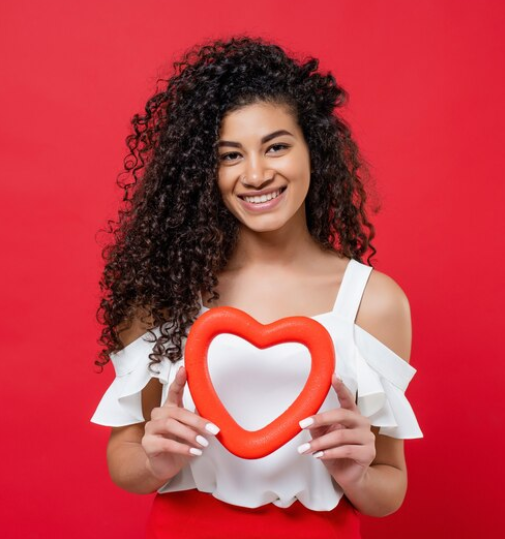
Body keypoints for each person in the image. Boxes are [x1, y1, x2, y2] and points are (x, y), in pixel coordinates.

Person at [90, 35, 423, 539]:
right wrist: (154, 462)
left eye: (276, 146)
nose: (256, 173)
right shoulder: (166, 292)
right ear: (204, 171)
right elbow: (126, 455)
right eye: (230, 156)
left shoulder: (374, 302)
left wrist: (357, 474)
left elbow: (389, 488)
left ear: (313, 148)